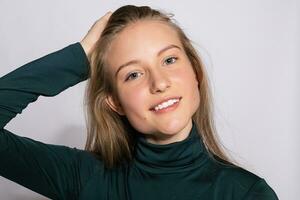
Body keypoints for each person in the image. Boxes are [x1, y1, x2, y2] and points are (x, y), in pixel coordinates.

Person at [0, 5, 278, 200]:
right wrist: (80, 57)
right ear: (114, 102)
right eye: (133, 74)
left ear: (196, 72)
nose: (159, 83)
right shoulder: (84, 177)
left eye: (169, 60)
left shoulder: (247, 194)